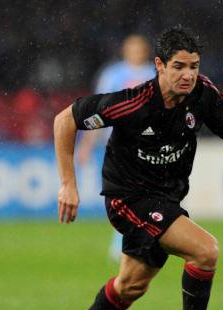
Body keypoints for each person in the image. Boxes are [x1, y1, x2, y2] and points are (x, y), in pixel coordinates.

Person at [54, 25, 223, 310]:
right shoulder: (133, 103)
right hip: (127, 198)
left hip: (166, 199)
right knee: (205, 251)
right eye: (179, 66)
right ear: (160, 65)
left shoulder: (203, 94)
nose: (188, 75)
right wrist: (68, 183)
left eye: (193, 66)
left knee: (130, 286)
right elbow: (64, 120)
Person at [76, 34, 155, 262]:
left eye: (139, 48)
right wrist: (86, 145)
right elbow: (97, 110)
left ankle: (140, 237)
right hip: (118, 143)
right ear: (125, 50)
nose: (136, 52)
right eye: (132, 48)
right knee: (124, 193)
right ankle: (122, 239)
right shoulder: (113, 75)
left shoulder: (155, 74)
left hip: (149, 143)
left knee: (147, 192)